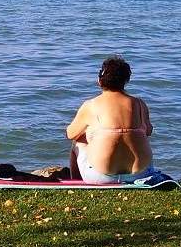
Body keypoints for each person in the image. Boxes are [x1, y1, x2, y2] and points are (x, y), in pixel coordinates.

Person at [66, 56, 155, 184]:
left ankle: (76, 182)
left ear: (99, 80)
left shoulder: (91, 105)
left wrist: (91, 133)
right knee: (139, 133)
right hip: (141, 174)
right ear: (126, 80)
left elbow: (70, 134)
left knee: (78, 141)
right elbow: (148, 131)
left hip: (101, 177)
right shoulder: (140, 104)